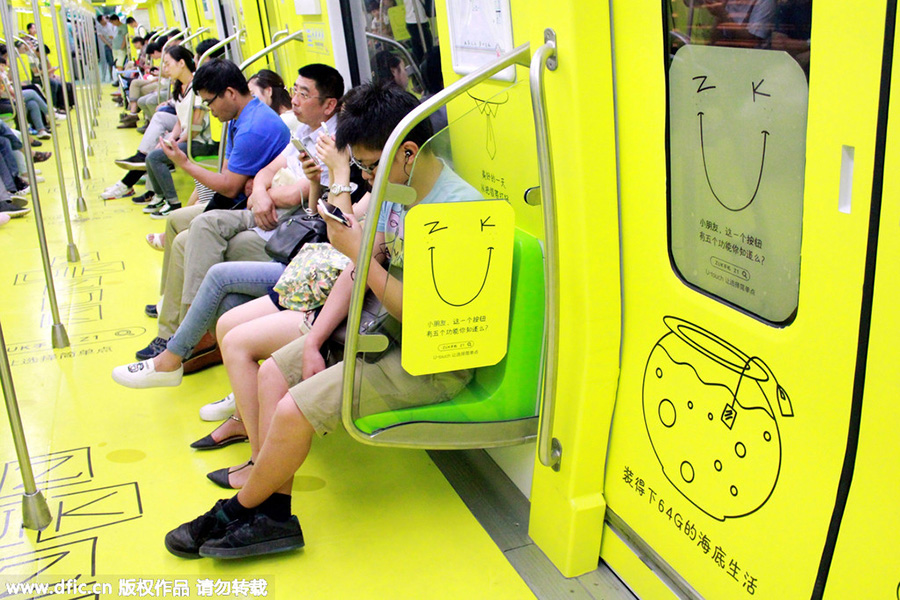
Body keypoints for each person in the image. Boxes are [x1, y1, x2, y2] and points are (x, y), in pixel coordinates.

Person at [165, 81, 478, 559]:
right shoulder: (400, 190)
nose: (366, 178)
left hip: (432, 357)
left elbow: (423, 318)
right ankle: (274, 514)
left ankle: (240, 510)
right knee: (273, 372)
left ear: (408, 153)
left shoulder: (457, 213)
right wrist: (311, 342)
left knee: (294, 409)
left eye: (369, 166)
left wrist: (361, 256)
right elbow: (355, 269)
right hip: (379, 332)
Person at [130, 57, 291, 361]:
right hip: (239, 199)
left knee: (183, 241)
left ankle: (178, 331)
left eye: (210, 102)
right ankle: (170, 307)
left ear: (230, 93)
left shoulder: (254, 126)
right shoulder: (237, 120)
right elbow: (230, 178)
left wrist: (185, 163)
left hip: (245, 206)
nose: (209, 110)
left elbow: (229, 186)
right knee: (176, 220)